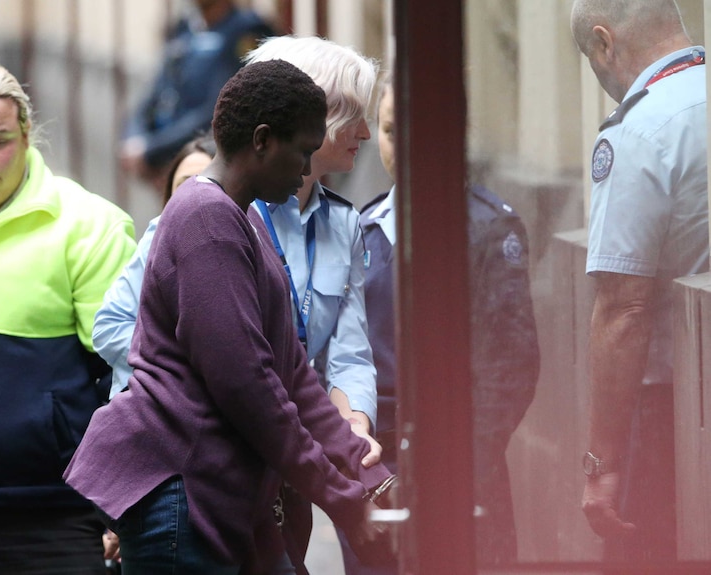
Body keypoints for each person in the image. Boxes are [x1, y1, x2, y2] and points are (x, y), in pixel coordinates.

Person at [64, 59, 396, 575]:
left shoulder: (240, 218)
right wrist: (342, 498)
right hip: (180, 487)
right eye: (302, 152)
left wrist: (362, 468)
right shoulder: (207, 221)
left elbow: (292, 374)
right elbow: (250, 388)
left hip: (215, 489)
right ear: (262, 140)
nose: (307, 170)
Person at [350, 76, 540, 572]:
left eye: (419, 129)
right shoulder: (362, 228)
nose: (404, 146)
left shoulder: (489, 227)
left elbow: (512, 366)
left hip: (461, 465)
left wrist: (465, 465)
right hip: (374, 468)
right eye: (391, 130)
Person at [0, 62, 137, 574]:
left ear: (26, 136)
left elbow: (127, 377)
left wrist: (119, 506)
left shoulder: (90, 226)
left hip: (54, 511)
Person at [570, 0, 708, 562]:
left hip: (673, 411)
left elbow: (624, 309)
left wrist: (602, 465)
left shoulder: (638, 131)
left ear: (604, 43)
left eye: (590, 58)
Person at [241, 35, 382, 566]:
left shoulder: (344, 223)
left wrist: (355, 427)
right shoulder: (221, 211)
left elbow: (349, 350)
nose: (366, 134)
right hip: (221, 468)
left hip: (290, 473)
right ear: (311, 117)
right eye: (354, 119)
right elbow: (122, 327)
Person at [94, 133, 217, 397]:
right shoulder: (156, 238)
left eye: (207, 184)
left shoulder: (248, 241)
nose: (195, 195)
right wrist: (175, 366)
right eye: (184, 185)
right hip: (154, 402)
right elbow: (108, 326)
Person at [119, 0, 274, 191]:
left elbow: (219, 108)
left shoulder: (246, 30)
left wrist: (152, 152)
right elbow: (156, 92)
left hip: (207, 158)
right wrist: (135, 140)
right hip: (165, 158)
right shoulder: (185, 27)